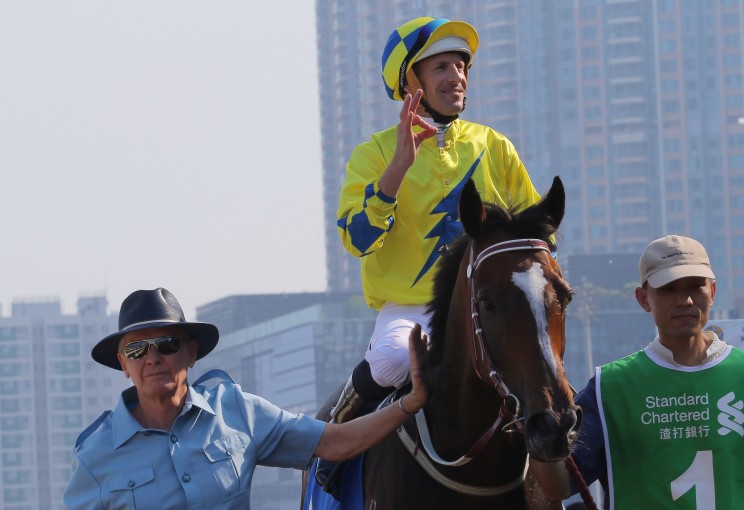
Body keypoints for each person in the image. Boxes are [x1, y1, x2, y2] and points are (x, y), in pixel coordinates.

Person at [319, 15, 546, 492]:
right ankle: (333, 438)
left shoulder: (494, 146)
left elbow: (534, 233)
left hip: (490, 303)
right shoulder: (374, 154)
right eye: (441, 66)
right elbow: (356, 240)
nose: (457, 77)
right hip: (411, 310)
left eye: (461, 66)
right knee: (389, 362)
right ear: (411, 84)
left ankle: (563, 464)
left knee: (543, 366)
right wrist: (399, 168)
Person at [63, 287, 428, 509]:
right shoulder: (96, 457)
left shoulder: (236, 412)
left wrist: (408, 405)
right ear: (123, 365)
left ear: (192, 353)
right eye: (138, 349)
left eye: (167, 345)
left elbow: (335, 442)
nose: (153, 358)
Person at [530, 235, 744, 509]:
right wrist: (533, 425)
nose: (685, 299)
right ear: (643, 298)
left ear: (713, 291)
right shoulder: (610, 389)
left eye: (696, 286)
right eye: (669, 288)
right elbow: (558, 486)